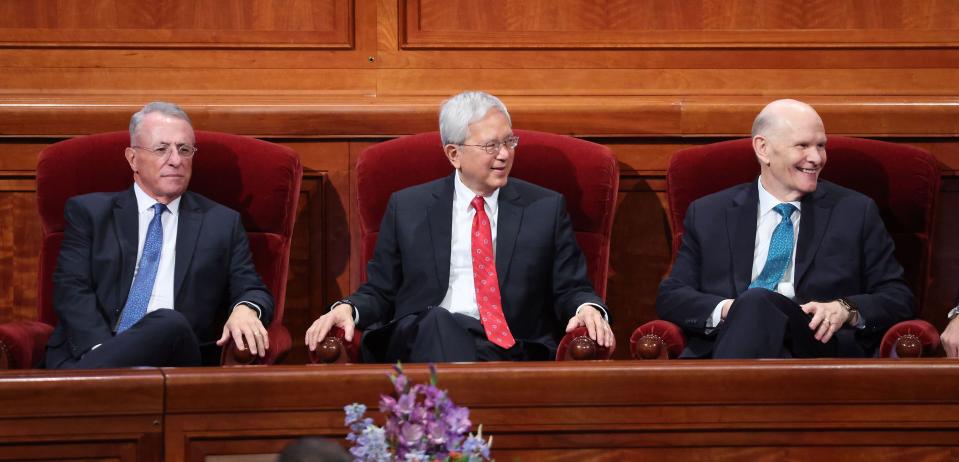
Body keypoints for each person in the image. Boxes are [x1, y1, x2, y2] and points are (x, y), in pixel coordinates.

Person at [305, 91, 612, 362]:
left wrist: (587, 308)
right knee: (438, 321)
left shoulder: (545, 208)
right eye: (491, 145)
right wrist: (346, 308)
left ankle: (449, 423)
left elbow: (571, 287)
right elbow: (381, 290)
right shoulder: (409, 208)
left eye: (509, 141)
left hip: (506, 345)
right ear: (454, 154)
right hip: (420, 338)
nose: (504, 154)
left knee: (451, 333)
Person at [656, 99, 913, 359]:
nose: (816, 158)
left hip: (814, 343)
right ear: (763, 148)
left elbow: (897, 296)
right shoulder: (710, 213)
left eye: (821, 146)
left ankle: (723, 397)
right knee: (755, 303)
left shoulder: (855, 211)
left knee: (757, 301)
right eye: (802, 146)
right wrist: (728, 310)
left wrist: (845, 308)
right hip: (729, 338)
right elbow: (672, 295)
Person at [44, 101, 274, 369]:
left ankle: (81, 387)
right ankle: (101, 376)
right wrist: (105, 352)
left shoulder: (221, 222)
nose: (175, 160)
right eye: (162, 149)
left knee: (169, 321)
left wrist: (245, 308)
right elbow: (71, 288)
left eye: (184, 149)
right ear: (132, 158)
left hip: (174, 358)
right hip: (89, 351)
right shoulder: (90, 213)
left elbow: (252, 288)